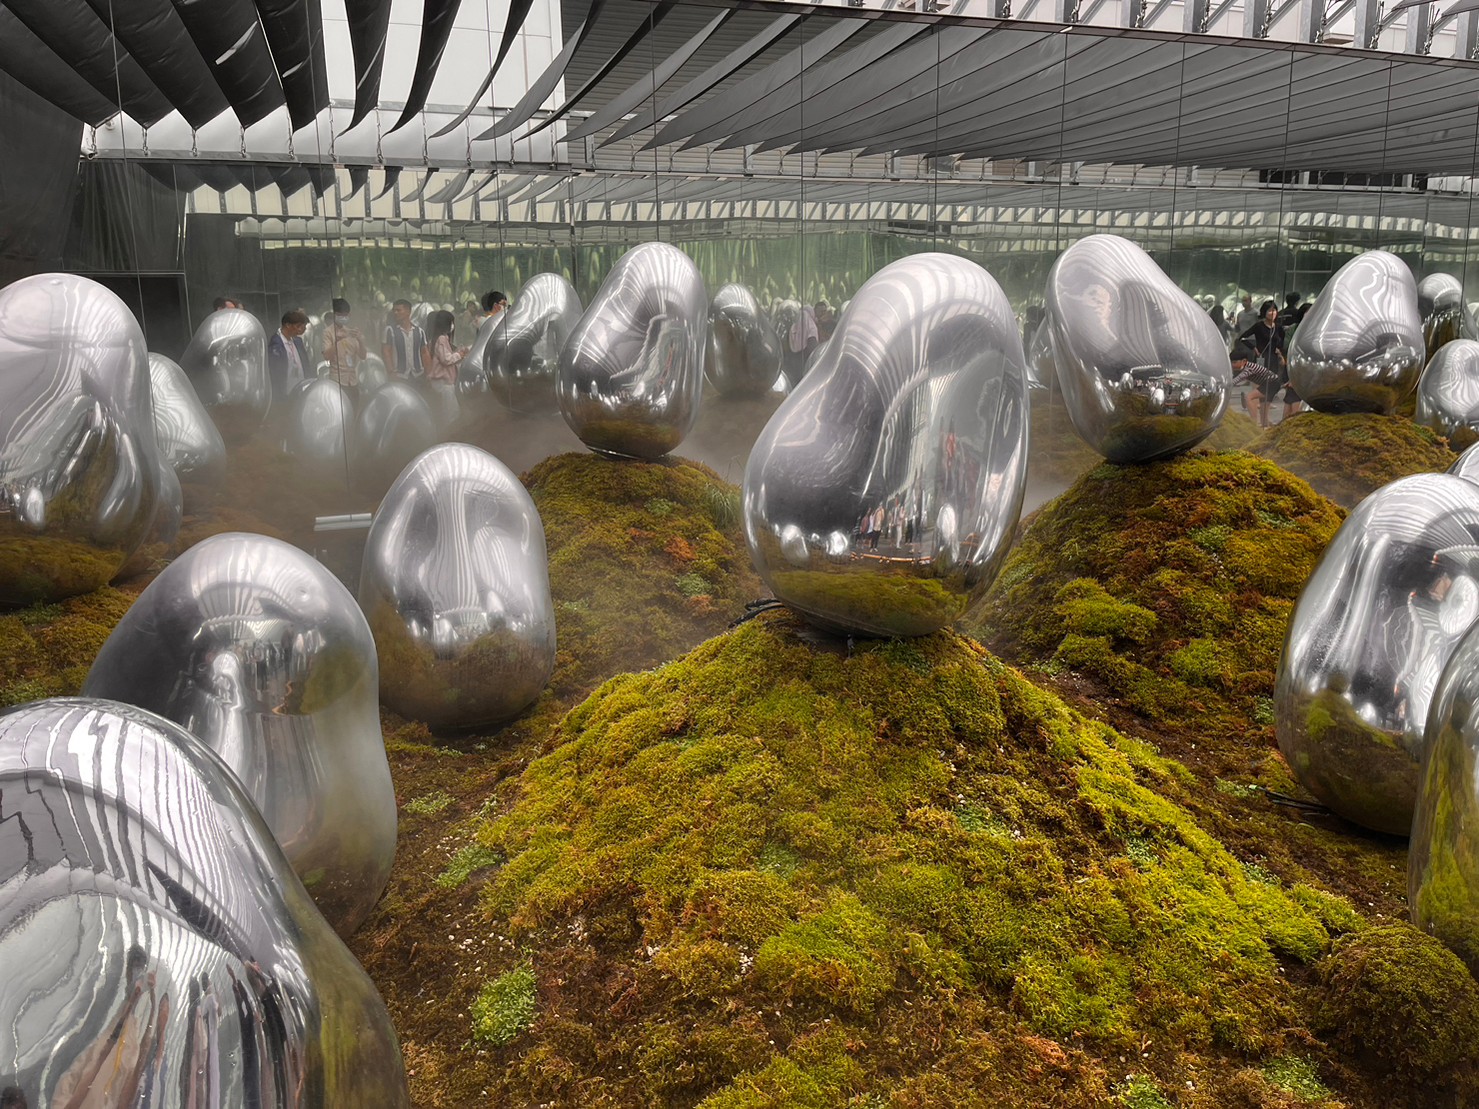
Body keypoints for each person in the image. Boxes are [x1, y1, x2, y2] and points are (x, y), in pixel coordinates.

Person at [1238, 299, 1287, 429]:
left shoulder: (1278, 327)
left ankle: (1265, 422)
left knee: (1268, 393)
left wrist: (1279, 351)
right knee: (1259, 390)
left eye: (1274, 310)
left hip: (1273, 361)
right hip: (1261, 360)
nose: (1272, 313)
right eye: (1269, 311)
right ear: (1264, 312)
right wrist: (1254, 347)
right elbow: (1243, 337)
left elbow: (1281, 342)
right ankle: (1255, 423)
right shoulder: (1259, 326)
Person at [422, 309, 466, 428]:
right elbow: (446, 359)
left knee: (446, 411)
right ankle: (449, 434)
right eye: (451, 322)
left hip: (440, 382)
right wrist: (460, 355)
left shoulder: (435, 338)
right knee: (451, 414)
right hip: (444, 382)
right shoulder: (442, 339)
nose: (453, 325)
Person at [321, 297, 366, 396]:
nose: (343, 318)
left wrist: (361, 340)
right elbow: (326, 356)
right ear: (334, 314)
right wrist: (337, 341)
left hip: (352, 379)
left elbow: (363, 356)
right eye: (340, 315)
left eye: (345, 315)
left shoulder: (351, 331)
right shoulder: (328, 332)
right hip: (337, 380)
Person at [268, 309, 310, 398]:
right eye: (298, 326)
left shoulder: (297, 341)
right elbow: (275, 372)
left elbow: (306, 363)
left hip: (301, 387)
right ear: (288, 325)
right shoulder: (276, 344)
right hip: (285, 391)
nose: (300, 330)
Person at [382, 299, 427, 379]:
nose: (395, 313)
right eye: (394, 310)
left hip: (418, 375)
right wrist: (391, 372)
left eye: (398, 310)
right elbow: (386, 352)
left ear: (408, 312)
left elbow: (424, 353)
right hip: (399, 376)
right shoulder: (390, 330)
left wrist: (428, 374)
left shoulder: (419, 331)